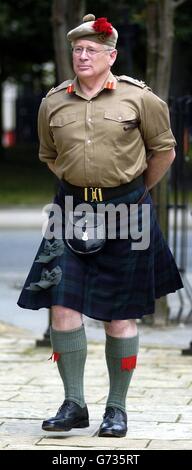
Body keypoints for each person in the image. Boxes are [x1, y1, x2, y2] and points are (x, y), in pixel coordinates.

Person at [18, 14, 183, 438]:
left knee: (120, 315)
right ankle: (74, 404)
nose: (83, 55)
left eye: (92, 50)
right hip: (70, 211)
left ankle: (117, 409)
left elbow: (164, 150)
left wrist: (132, 192)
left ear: (111, 56)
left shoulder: (140, 99)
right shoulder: (53, 102)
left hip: (127, 210)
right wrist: (82, 189)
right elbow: (48, 155)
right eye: (78, 49)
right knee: (61, 305)